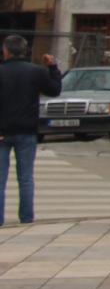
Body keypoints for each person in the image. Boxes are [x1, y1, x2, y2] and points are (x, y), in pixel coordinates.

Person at [0, 35, 60, 227]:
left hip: (2, 132)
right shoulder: (36, 72)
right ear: (25, 51)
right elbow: (54, 90)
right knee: (25, 177)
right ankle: (26, 217)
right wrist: (53, 68)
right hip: (27, 131)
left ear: (6, 51)